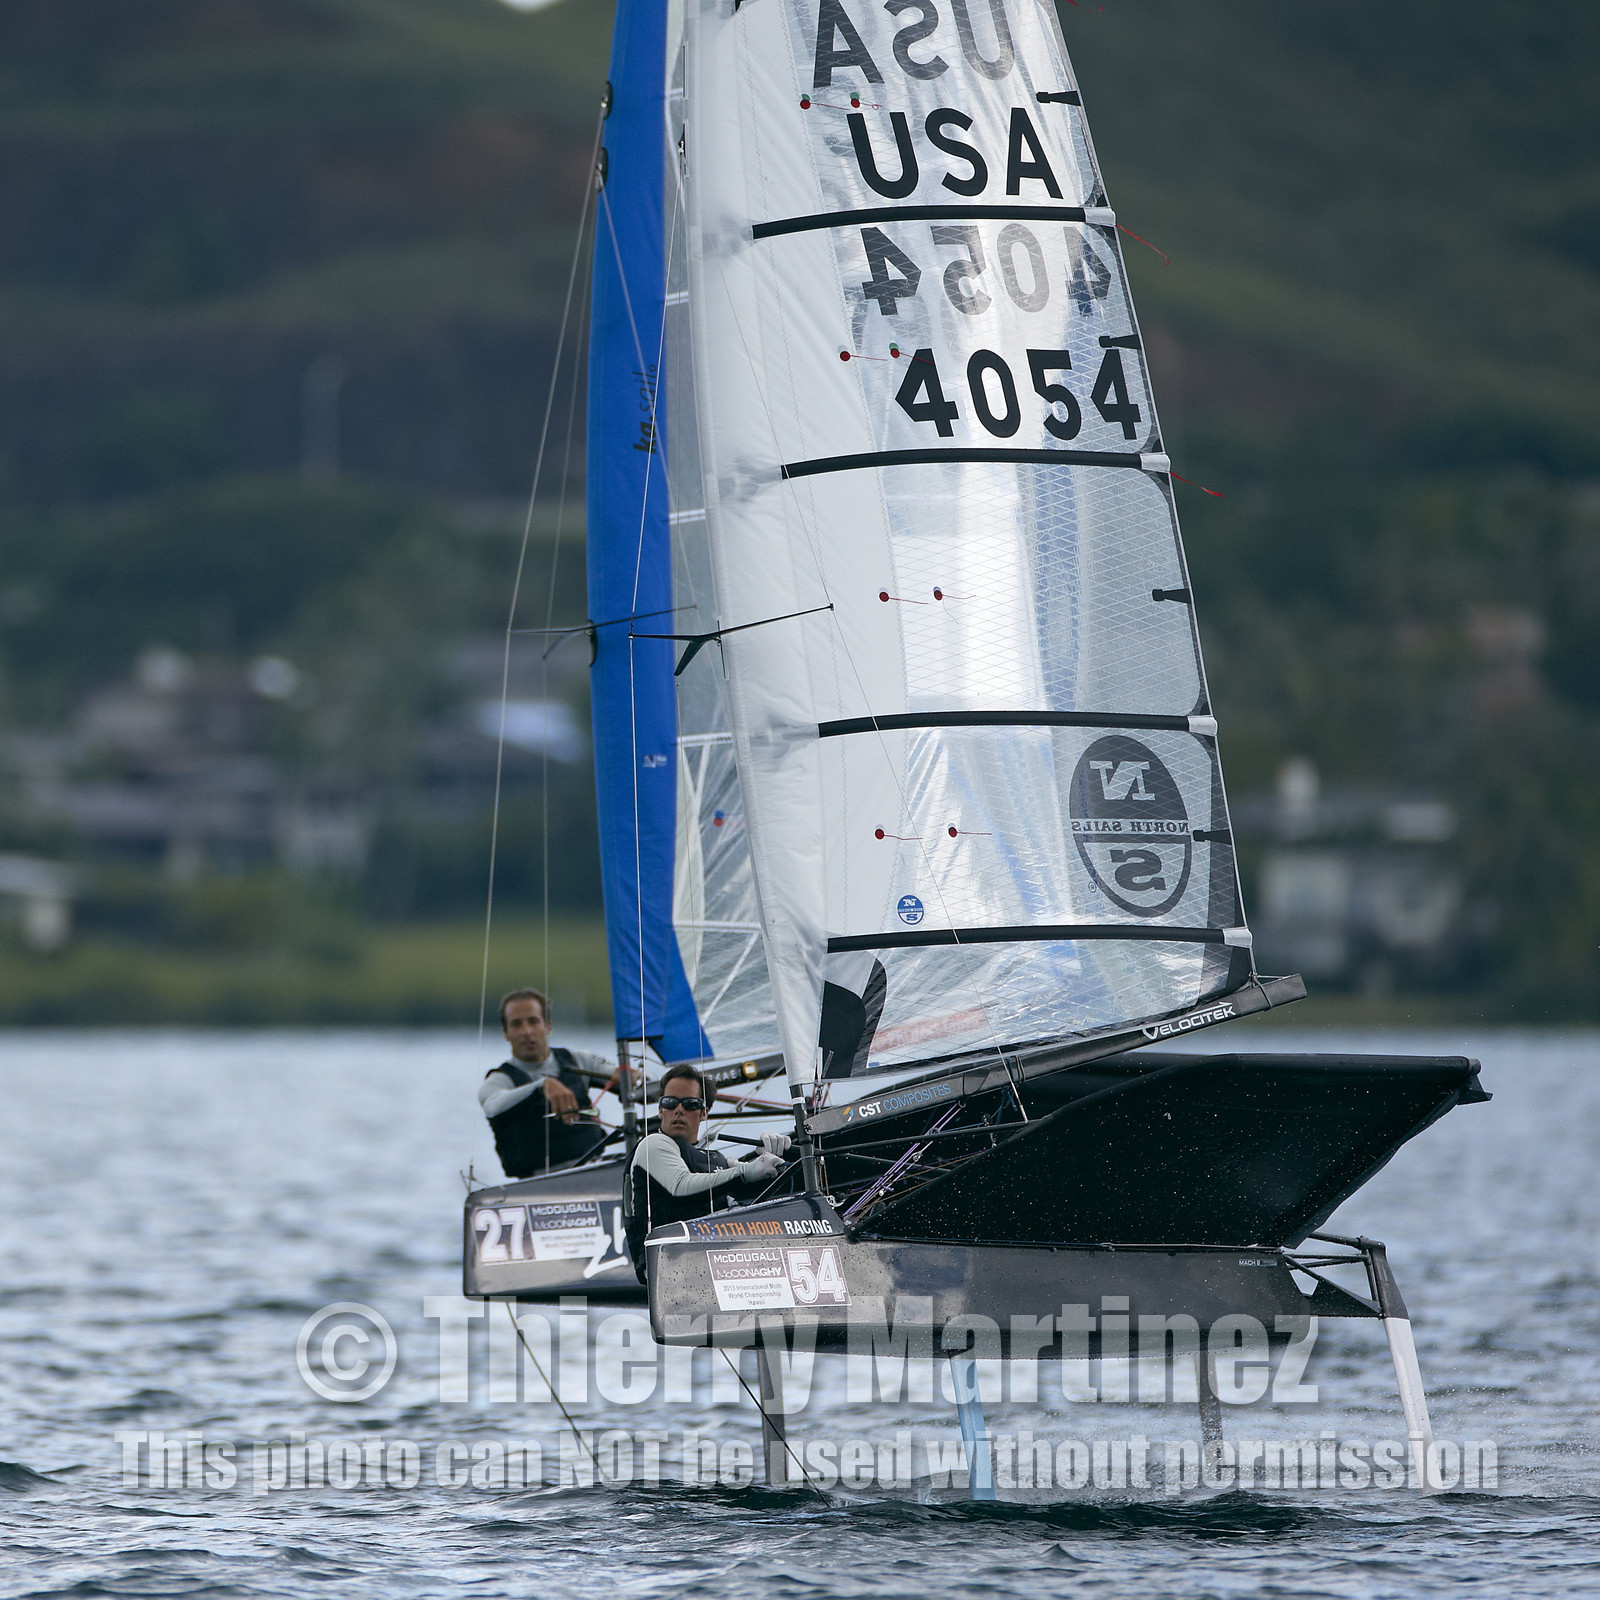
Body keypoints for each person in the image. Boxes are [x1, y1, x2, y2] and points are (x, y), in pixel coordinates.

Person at [623, 1064, 790, 1281]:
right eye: (670, 1102)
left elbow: (748, 1175)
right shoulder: (652, 1144)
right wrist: (748, 1171)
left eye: (690, 1104)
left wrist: (767, 1155)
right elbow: (681, 1186)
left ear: (703, 1113)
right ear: (660, 1110)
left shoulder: (714, 1159)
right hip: (668, 1269)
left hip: (713, 1265)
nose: (679, 1110)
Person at [479, 988, 612, 1178]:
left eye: (533, 1021)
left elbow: (642, 1083)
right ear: (506, 1033)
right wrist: (542, 1085)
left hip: (593, 1173)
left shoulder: (579, 1060)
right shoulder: (500, 1080)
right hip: (536, 1185)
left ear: (548, 1026)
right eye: (516, 1024)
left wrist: (633, 1077)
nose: (526, 1032)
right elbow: (492, 1106)